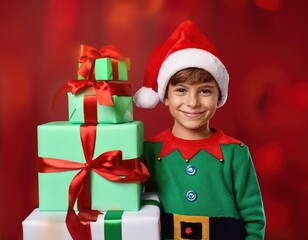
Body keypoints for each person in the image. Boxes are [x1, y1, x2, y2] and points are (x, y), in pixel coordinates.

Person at [133, 20, 265, 240]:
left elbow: (254, 219)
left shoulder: (236, 152)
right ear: (165, 96)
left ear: (219, 96)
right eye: (181, 90)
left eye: (205, 91)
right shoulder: (149, 150)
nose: (192, 102)